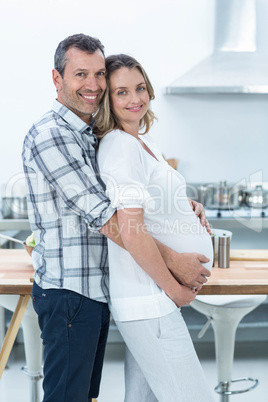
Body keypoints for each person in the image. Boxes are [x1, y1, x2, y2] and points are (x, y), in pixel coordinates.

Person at [22, 33, 211, 402]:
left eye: (98, 75)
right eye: (80, 74)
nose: (92, 85)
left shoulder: (90, 134)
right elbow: (109, 218)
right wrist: (175, 273)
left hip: (97, 290)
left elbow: (131, 203)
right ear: (57, 79)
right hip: (70, 290)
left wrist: (177, 205)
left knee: (85, 396)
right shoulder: (54, 136)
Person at [96, 54, 215, 401]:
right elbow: (129, 230)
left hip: (152, 301)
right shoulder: (120, 145)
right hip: (151, 300)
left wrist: (184, 205)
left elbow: (150, 210)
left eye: (140, 88)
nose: (135, 99)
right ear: (108, 99)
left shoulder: (142, 144)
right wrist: (173, 290)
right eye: (122, 92)